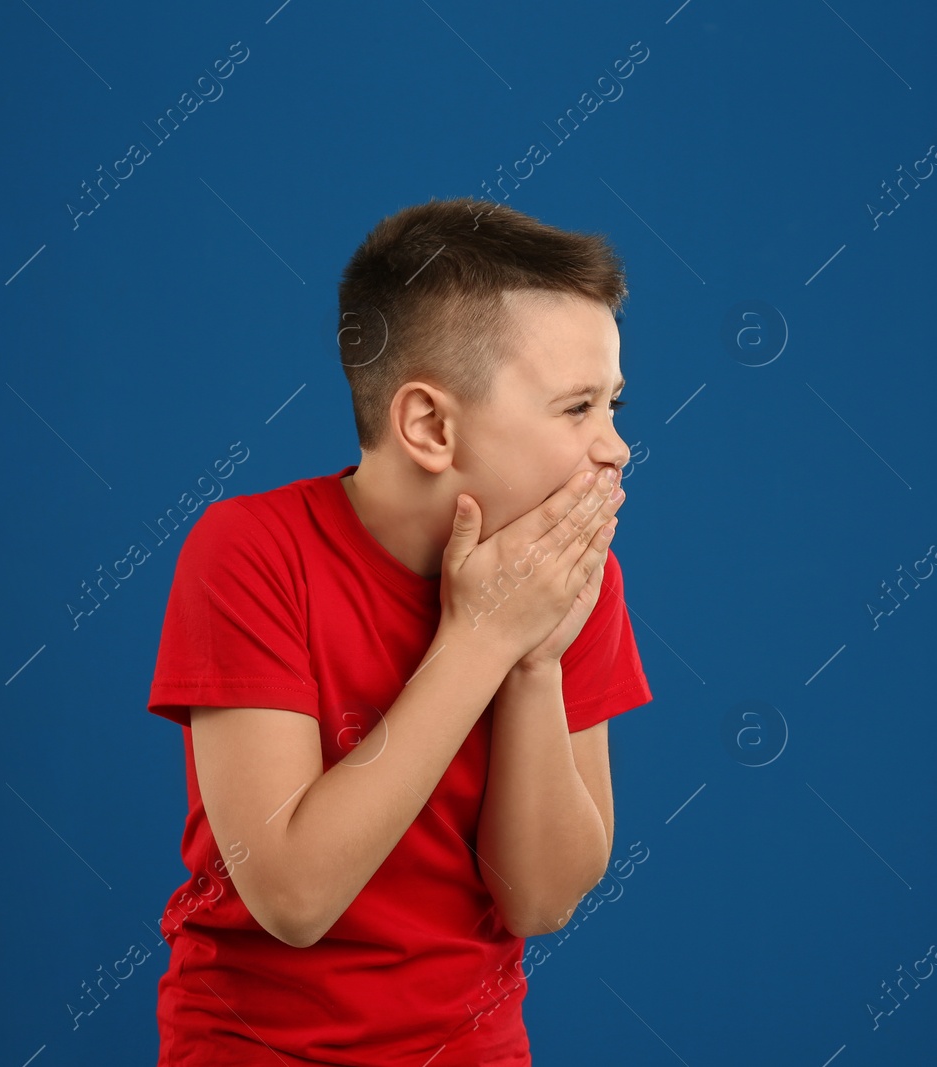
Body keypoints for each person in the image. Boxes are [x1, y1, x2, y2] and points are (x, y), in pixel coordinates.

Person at [145, 196, 654, 1065]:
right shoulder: (248, 551)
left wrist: (534, 663)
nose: (617, 447)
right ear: (429, 425)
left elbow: (539, 901)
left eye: (614, 404)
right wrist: (482, 640)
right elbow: (294, 895)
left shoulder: (573, 579)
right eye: (577, 410)